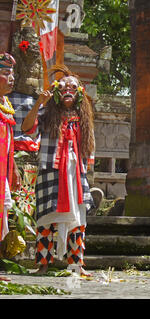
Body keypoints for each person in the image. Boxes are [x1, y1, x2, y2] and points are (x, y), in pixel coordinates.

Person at [21, 65, 95, 277]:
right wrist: (38, 103)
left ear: (79, 92)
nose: (67, 90)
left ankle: (77, 265)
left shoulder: (84, 118)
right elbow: (27, 128)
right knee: (45, 218)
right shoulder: (46, 113)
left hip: (75, 174)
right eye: (63, 87)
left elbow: (89, 149)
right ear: (56, 92)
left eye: (72, 87)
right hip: (50, 172)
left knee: (78, 219)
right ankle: (43, 263)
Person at [0, 53, 21, 281]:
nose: (11, 78)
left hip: (3, 171)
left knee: (1, 215)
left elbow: (9, 140)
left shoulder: (6, 104)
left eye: (12, 73)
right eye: (6, 73)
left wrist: (13, 167)